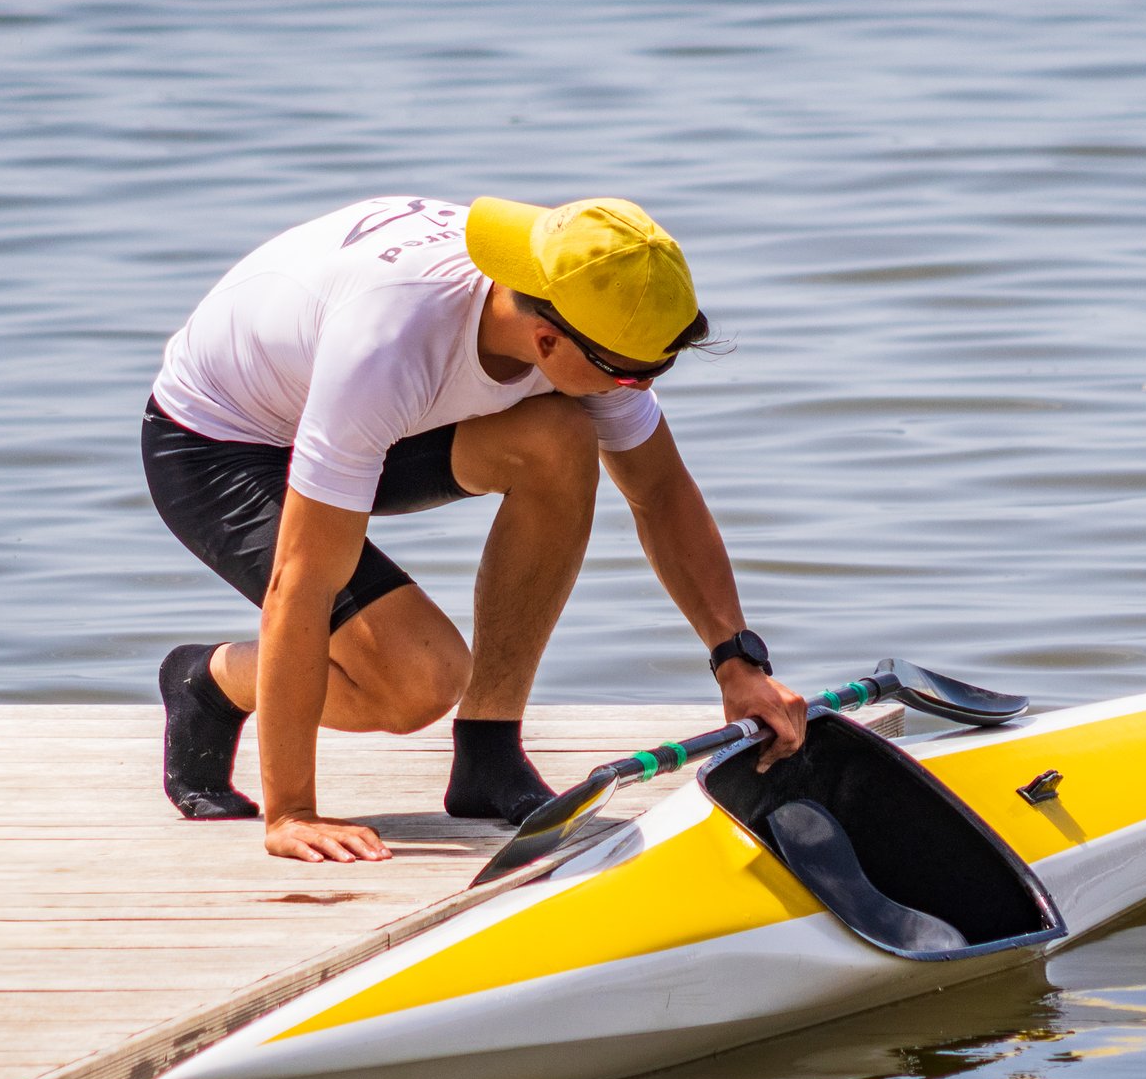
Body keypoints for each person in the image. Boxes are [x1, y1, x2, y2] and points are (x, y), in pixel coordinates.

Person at [142, 194, 808, 863]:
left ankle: (488, 754)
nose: (641, 389)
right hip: (218, 445)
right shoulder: (387, 345)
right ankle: (212, 680)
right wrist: (291, 813)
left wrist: (737, 663)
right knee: (417, 684)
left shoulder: (574, 293)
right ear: (548, 339)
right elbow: (303, 579)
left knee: (559, 438)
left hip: (356, 408)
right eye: (634, 373)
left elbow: (660, 491)